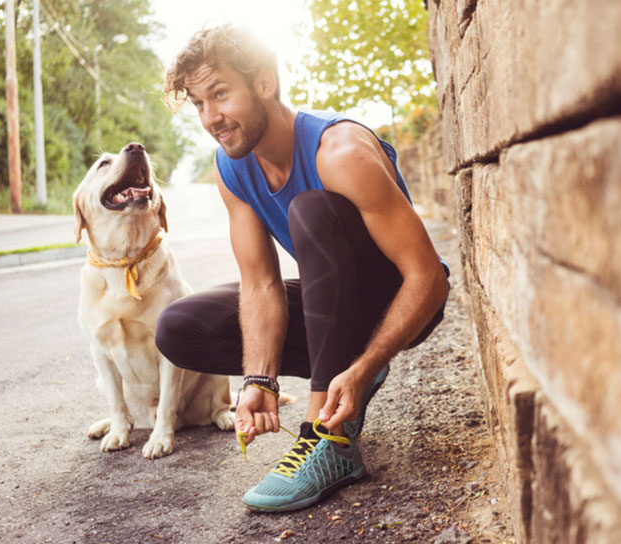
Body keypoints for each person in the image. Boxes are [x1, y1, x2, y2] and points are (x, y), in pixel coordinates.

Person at [156, 24, 450, 512]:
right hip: (332, 302)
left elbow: (429, 279)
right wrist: (259, 380)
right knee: (179, 328)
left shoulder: (340, 151)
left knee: (309, 211)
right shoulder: (231, 168)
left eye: (221, 94)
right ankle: (338, 376)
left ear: (265, 83)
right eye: (199, 104)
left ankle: (326, 439)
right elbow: (261, 285)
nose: (211, 117)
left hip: (399, 301)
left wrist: (367, 364)